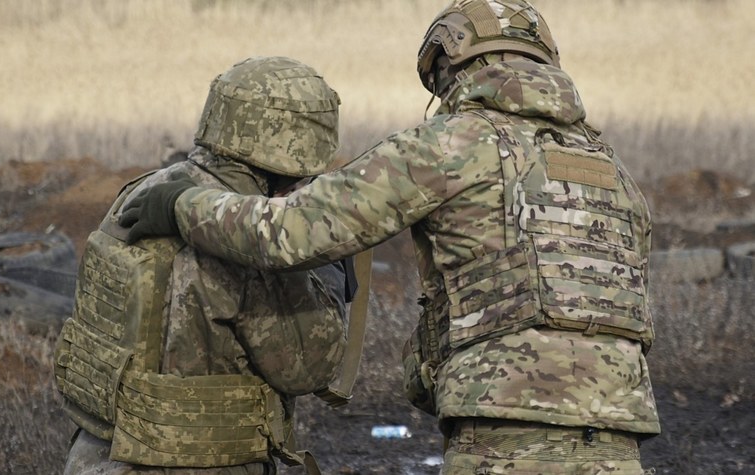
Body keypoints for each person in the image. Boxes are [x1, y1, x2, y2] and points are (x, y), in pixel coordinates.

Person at [121, 1, 662, 473]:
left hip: (505, 426)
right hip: (621, 429)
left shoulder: (450, 145)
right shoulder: (611, 170)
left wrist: (181, 205)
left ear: (449, 65)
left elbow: (285, 233)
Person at [54, 56, 351, 475]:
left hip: (96, 458)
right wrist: (324, 266)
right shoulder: (250, 236)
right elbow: (310, 366)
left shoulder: (147, 189)